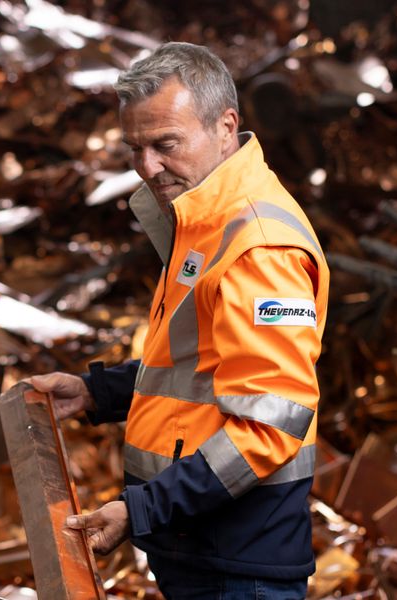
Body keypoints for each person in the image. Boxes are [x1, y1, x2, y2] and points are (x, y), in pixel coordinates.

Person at [24, 42, 330, 599]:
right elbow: (199, 365)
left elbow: (266, 428)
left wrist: (140, 509)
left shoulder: (259, 248)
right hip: (204, 550)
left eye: (165, 145)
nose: (147, 167)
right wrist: (98, 392)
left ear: (225, 126)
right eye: (134, 148)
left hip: (239, 565)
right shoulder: (202, 217)